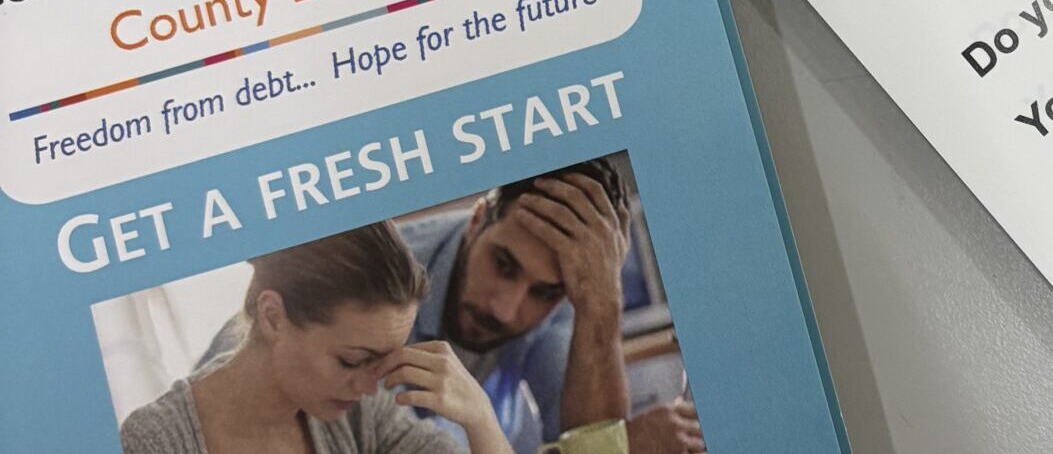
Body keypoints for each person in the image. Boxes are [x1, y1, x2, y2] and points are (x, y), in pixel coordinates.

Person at [121, 221, 512, 454]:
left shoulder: (362, 414)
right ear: (273, 316)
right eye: (351, 360)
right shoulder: (154, 441)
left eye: (380, 363)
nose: (368, 385)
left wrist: (480, 418)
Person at [401, 158, 703, 454]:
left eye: (544, 293)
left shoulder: (568, 287)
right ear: (477, 218)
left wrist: (601, 302)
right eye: (503, 265)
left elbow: (590, 445)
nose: (505, 310)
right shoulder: (385, 284)